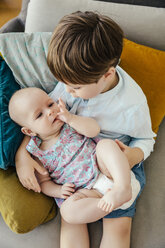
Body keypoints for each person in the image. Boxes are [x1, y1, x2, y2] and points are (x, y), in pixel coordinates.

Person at [15, 11, 156, 248]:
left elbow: (146, 138)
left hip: (112, 165)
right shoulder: (72, 78)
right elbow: (39, 125)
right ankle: (99, 202)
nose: (67, 92)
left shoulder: (131, 105)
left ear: (107, 75)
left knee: (117, 227)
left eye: (75, 87)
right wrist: (21, 155)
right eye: (64, 84)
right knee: (70, 218)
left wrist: (134, 155)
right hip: (76, 177)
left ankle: (120, 192)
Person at [9, 87, 140, 215]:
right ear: (29, 131)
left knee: (105, 145)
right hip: (87, 192)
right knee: (67, 212)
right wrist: (58, 190)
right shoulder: (37, 153)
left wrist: (71, 119)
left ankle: (122, 187)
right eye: (39, 115)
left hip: (105, 170)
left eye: (50, 104)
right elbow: (44, 183)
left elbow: (94, 130)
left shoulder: (69, 124)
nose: (49, 112)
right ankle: (107, 204)